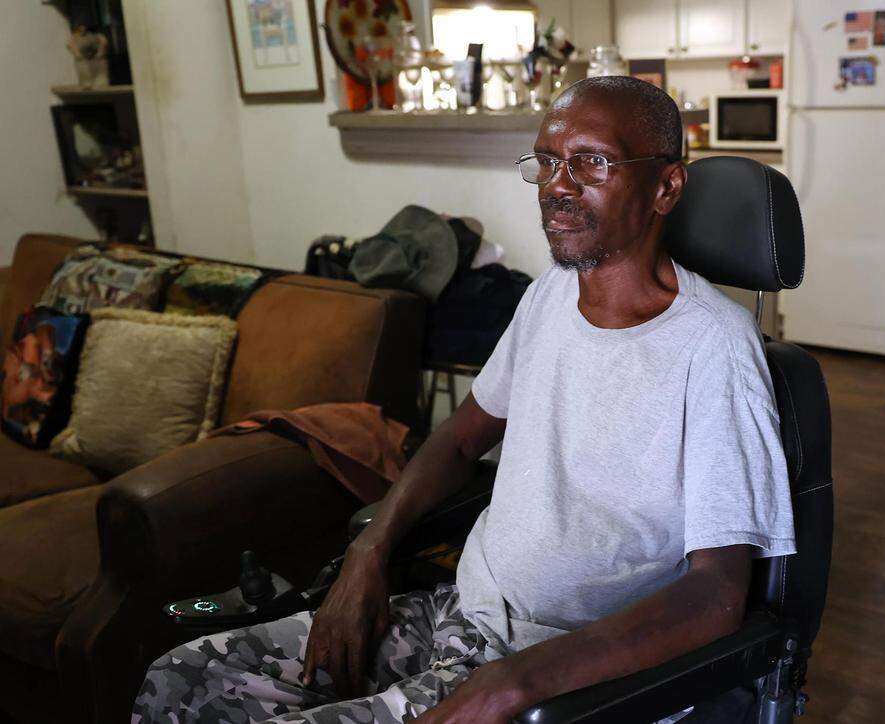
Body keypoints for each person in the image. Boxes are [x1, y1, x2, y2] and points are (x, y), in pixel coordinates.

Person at [133, 76, 795, 724]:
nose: (557, 186)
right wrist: (367, 558)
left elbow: (715, 595)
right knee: (177, 681)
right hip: (461, 617)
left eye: (590, 162)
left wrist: (514, 684)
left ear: (666, 186)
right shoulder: (550, 296)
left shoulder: (714, 350)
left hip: (557, 669)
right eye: (546, 162)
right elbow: (458, 438)